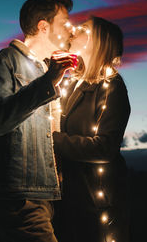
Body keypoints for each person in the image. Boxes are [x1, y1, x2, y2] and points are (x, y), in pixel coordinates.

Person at [0, 0, 75, 242]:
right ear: (43, 26)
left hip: (45, 195)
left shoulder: (46, 69)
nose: (69, 30)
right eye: (64, 23)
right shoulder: (7, 62)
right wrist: (47, 83)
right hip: (18, 198)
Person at [52, 16, 131, 242]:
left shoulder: (111, 86)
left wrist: (51, 139)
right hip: (68, 196)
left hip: (96, 200)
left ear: (99, 42)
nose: (74, 30)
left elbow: (105, 148)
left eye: (84, 28)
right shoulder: (70, 82)